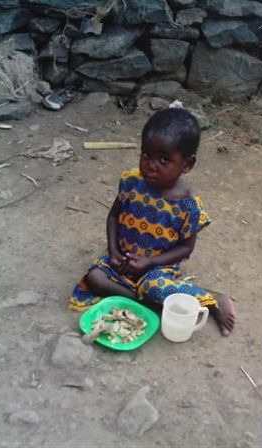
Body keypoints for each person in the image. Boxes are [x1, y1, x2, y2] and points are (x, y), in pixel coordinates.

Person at [69, 108, 235, 336]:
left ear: (187, 165)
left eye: (164, 159)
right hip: (123, 260)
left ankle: (212, 300)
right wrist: (114, 251)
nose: (151, 165)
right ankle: (143, 302)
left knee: (154, 287)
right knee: (94, 277)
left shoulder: (188, 204)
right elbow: (113, 217)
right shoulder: (130, 182)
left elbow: (186, 248)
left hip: (157, 267)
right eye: (146, 154)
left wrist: (149, 261)